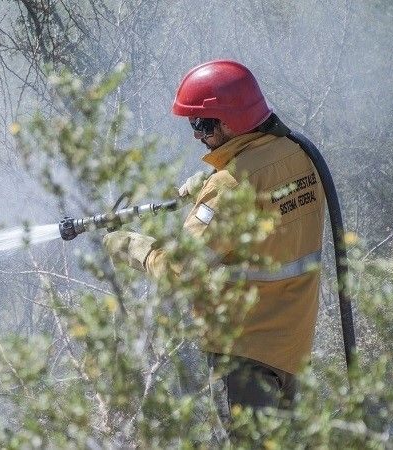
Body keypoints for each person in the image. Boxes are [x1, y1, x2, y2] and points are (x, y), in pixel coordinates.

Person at [102, 60, 325, 434]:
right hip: (292, 344)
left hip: (245, 350)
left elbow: (177, 270)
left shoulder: (230, 187)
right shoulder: (297, 154)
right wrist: (212, 182)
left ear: (231, 121)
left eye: (202, 124)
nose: (196, 135)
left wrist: (129, 245)